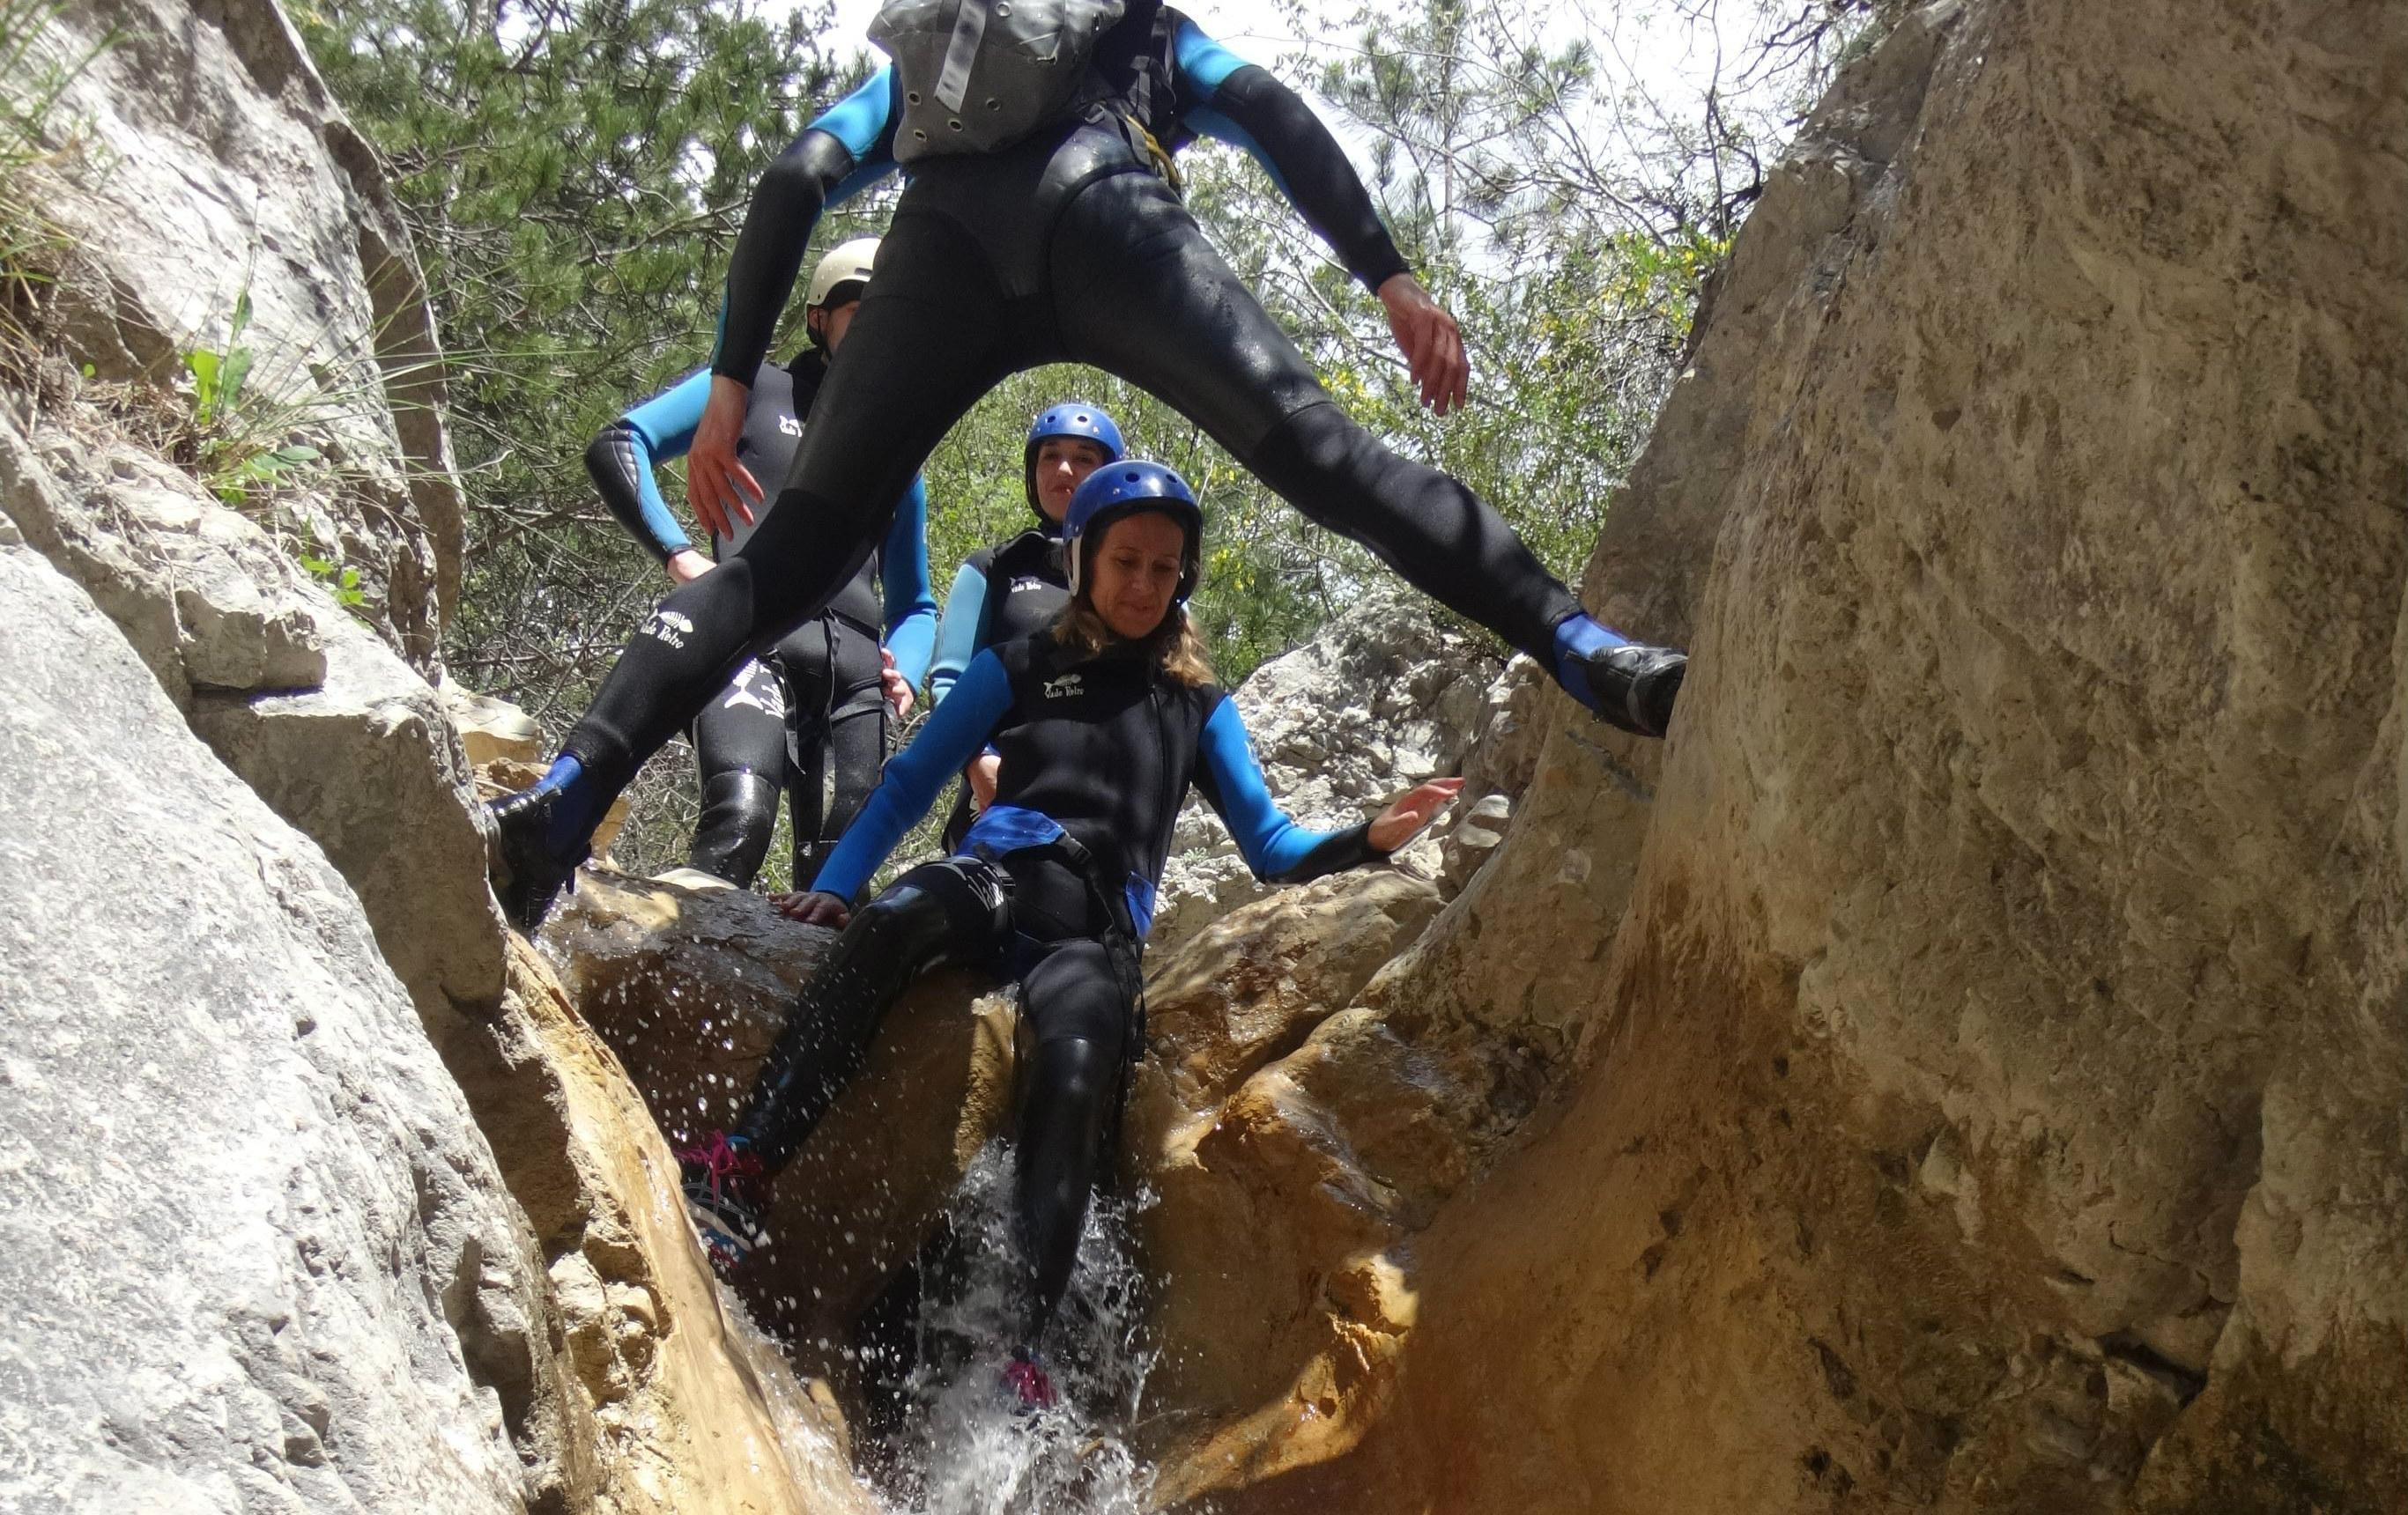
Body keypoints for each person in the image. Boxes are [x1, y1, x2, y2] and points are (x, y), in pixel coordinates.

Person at [484, 1, 1678, 930]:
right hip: (1106, 201)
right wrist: (1389, 275)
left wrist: (733, 371)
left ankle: (566, 801)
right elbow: (1267, 108)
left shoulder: (936, 59)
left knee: (787, 558)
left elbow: (802, 168)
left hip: (943, 235)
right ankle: (1585, 653)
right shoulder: (1145, 29)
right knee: (1330, 462)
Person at [677, 462, 1461, 1408]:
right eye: (1125, 561)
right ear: (1084, 559)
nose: (1142, 584)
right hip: (997, 872)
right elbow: (914, 777)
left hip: (1094, 930)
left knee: (1081, 1058)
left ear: (1185, 580)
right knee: (894, 923)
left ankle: (1023, 1349)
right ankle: (744, 1167)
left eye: (1164, 569)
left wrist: (1370, 836)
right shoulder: (1021, 662)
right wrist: (838, 887)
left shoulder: (1195, 703)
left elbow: (1272, 844)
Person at [584, 239, 937, 891]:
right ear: (818, 320)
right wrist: (681, 557)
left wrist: (907, 672)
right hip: (750, 648)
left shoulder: (895, 448)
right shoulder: (752, 392)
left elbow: (915, 602)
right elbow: (618, 442)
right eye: (860, 313)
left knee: (839, 876)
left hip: (858, 683)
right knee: (738, 826)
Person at [927, 400, 1120, 845]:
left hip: (1099, 793)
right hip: (995, 789)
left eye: (1084, 458)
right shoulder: (992, 568)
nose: (1065, 470)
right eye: (1051, 455)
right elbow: (949, 680)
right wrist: (977, 761)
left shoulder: (1134, 581)